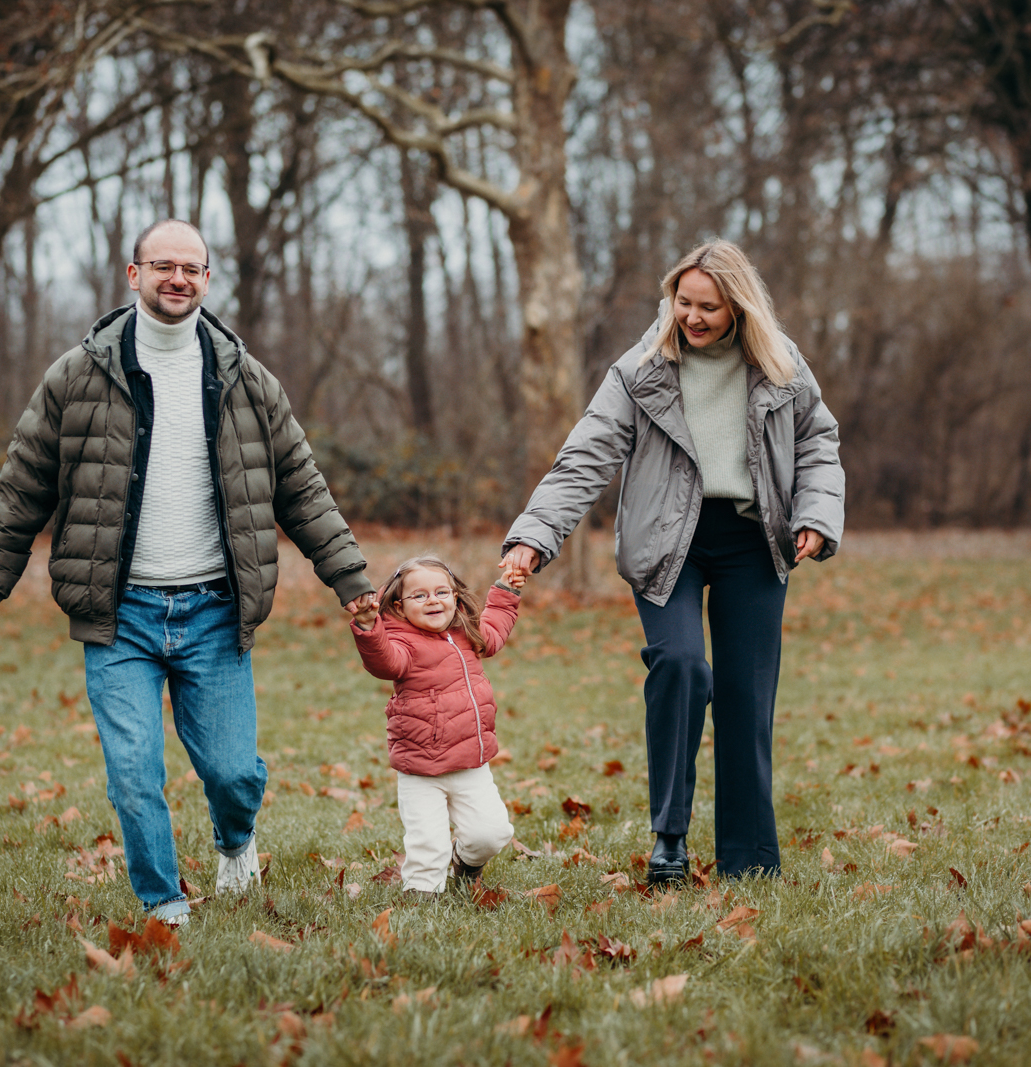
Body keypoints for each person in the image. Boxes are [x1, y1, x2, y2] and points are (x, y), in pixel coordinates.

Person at [0, 219, 375, 925]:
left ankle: (234, 837)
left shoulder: (245, 378)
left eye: (191, 267)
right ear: (133, 275)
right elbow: (22, 486)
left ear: (208, 279)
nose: (177, 278)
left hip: (216, 608)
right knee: (133, 772)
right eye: (162, 265)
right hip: (118, 613)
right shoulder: (76, 376)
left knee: (233, 772)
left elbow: (301, 488)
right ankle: (164, 898)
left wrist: (352, 579)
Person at [501, 238, 843, 884]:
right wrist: (534, 536)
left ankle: (749, 860)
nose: (691, 316)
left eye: (708, 306)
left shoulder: (779, 364)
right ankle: (670, 838)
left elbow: (818, 441)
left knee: (745, 694)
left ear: (738, 307)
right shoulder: (641, 369)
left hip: (751, 539)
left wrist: (816, 518)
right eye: (682, 301)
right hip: (668, 541)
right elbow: (585, 457)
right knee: (682, 664)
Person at [347, 556, 523, 900]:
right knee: (428, 841)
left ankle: (466, 863)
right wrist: (369, 626)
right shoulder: (399, 641)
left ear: (456, 598)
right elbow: (384, 661)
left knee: (492, 833)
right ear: (399, 606)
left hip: (471, 762)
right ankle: (422, 897)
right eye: (420, 595)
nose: (433, 600)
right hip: (420, 768)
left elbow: (496, 628)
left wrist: (506, 589)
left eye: (442, 592)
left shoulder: (466, 632)